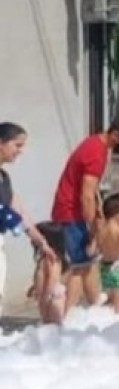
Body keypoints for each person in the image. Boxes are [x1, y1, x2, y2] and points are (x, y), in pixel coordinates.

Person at [43, 112, 119, 322]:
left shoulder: (95, 145)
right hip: (72, 212)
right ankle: (65, 316)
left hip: (70, 210)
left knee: (88, 264)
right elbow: (87, 194)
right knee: (79, 266)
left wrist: (97, 210)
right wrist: (93, 226)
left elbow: (93, 190)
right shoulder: (96, 152)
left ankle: (95, 309)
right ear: (118, 134)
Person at [0, 123, 59, 312]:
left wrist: (41, 241)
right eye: (17, 145)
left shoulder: (4, 178)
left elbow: (19, 211)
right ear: (1, 143)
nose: (20, 151)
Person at [93, 193, 119, 315]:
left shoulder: (101, 230)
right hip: (118, 269)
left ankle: (98, 318)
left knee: (110, 301)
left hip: (104, 269)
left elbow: (92, 249)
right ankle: (118, 328)